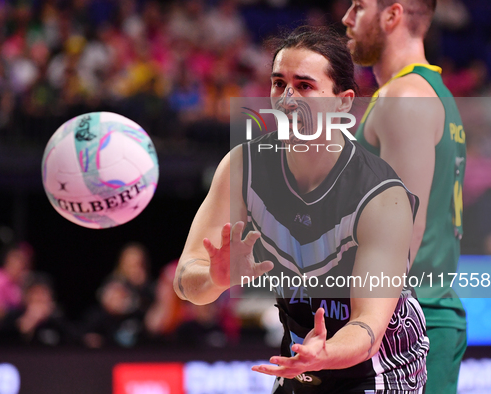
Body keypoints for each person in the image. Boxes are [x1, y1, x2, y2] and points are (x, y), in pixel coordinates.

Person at [174, 25, 428, 393]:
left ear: (343, 101)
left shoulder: (380, 194)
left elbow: (368, 327)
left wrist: (323, 353)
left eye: (304, 86)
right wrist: (214, 279)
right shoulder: (242, 167)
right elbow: (186, 280)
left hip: (380, 367)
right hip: (302, 359)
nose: (286, 99)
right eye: (279, 83)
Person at [342, 1, 467, 393]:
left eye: (358, 7)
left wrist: (364, 332)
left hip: (406, 325)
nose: (346, 17)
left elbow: (403, 234)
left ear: (392, 15)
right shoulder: (429, 90)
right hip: (413, 318)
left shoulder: (405, 97)